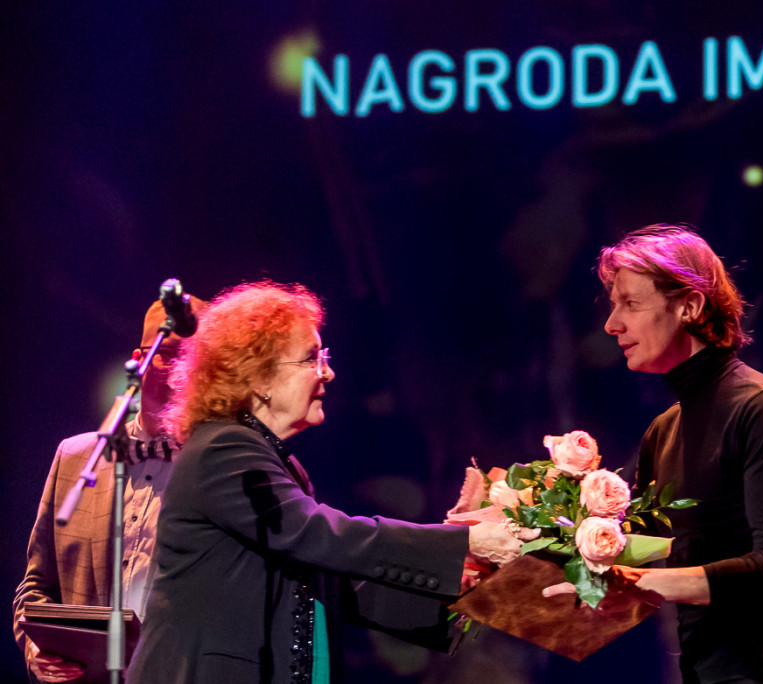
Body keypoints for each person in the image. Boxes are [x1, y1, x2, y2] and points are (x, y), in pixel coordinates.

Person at [125, 281, 523, 684]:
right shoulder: (222, 447)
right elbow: (319, 534)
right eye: (311, 358)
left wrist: (471, 596)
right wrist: (465, 542)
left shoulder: (278, 464)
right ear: (259, 377)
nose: (328, 372)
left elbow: (335, 580)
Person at [581, 224, 763, 683]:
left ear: (690, 306)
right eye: (614, 305)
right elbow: (628, 551)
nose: (611, 324)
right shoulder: (663, 431)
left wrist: (644, 582)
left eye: (631, 304)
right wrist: (507, 547)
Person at [13, 296, 206, 683]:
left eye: (194, 359)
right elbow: (35, 587)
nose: (179, 372)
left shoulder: (218, 467)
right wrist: (36, 650)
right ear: (139, 360)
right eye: (167, 354)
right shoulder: (76, 457)